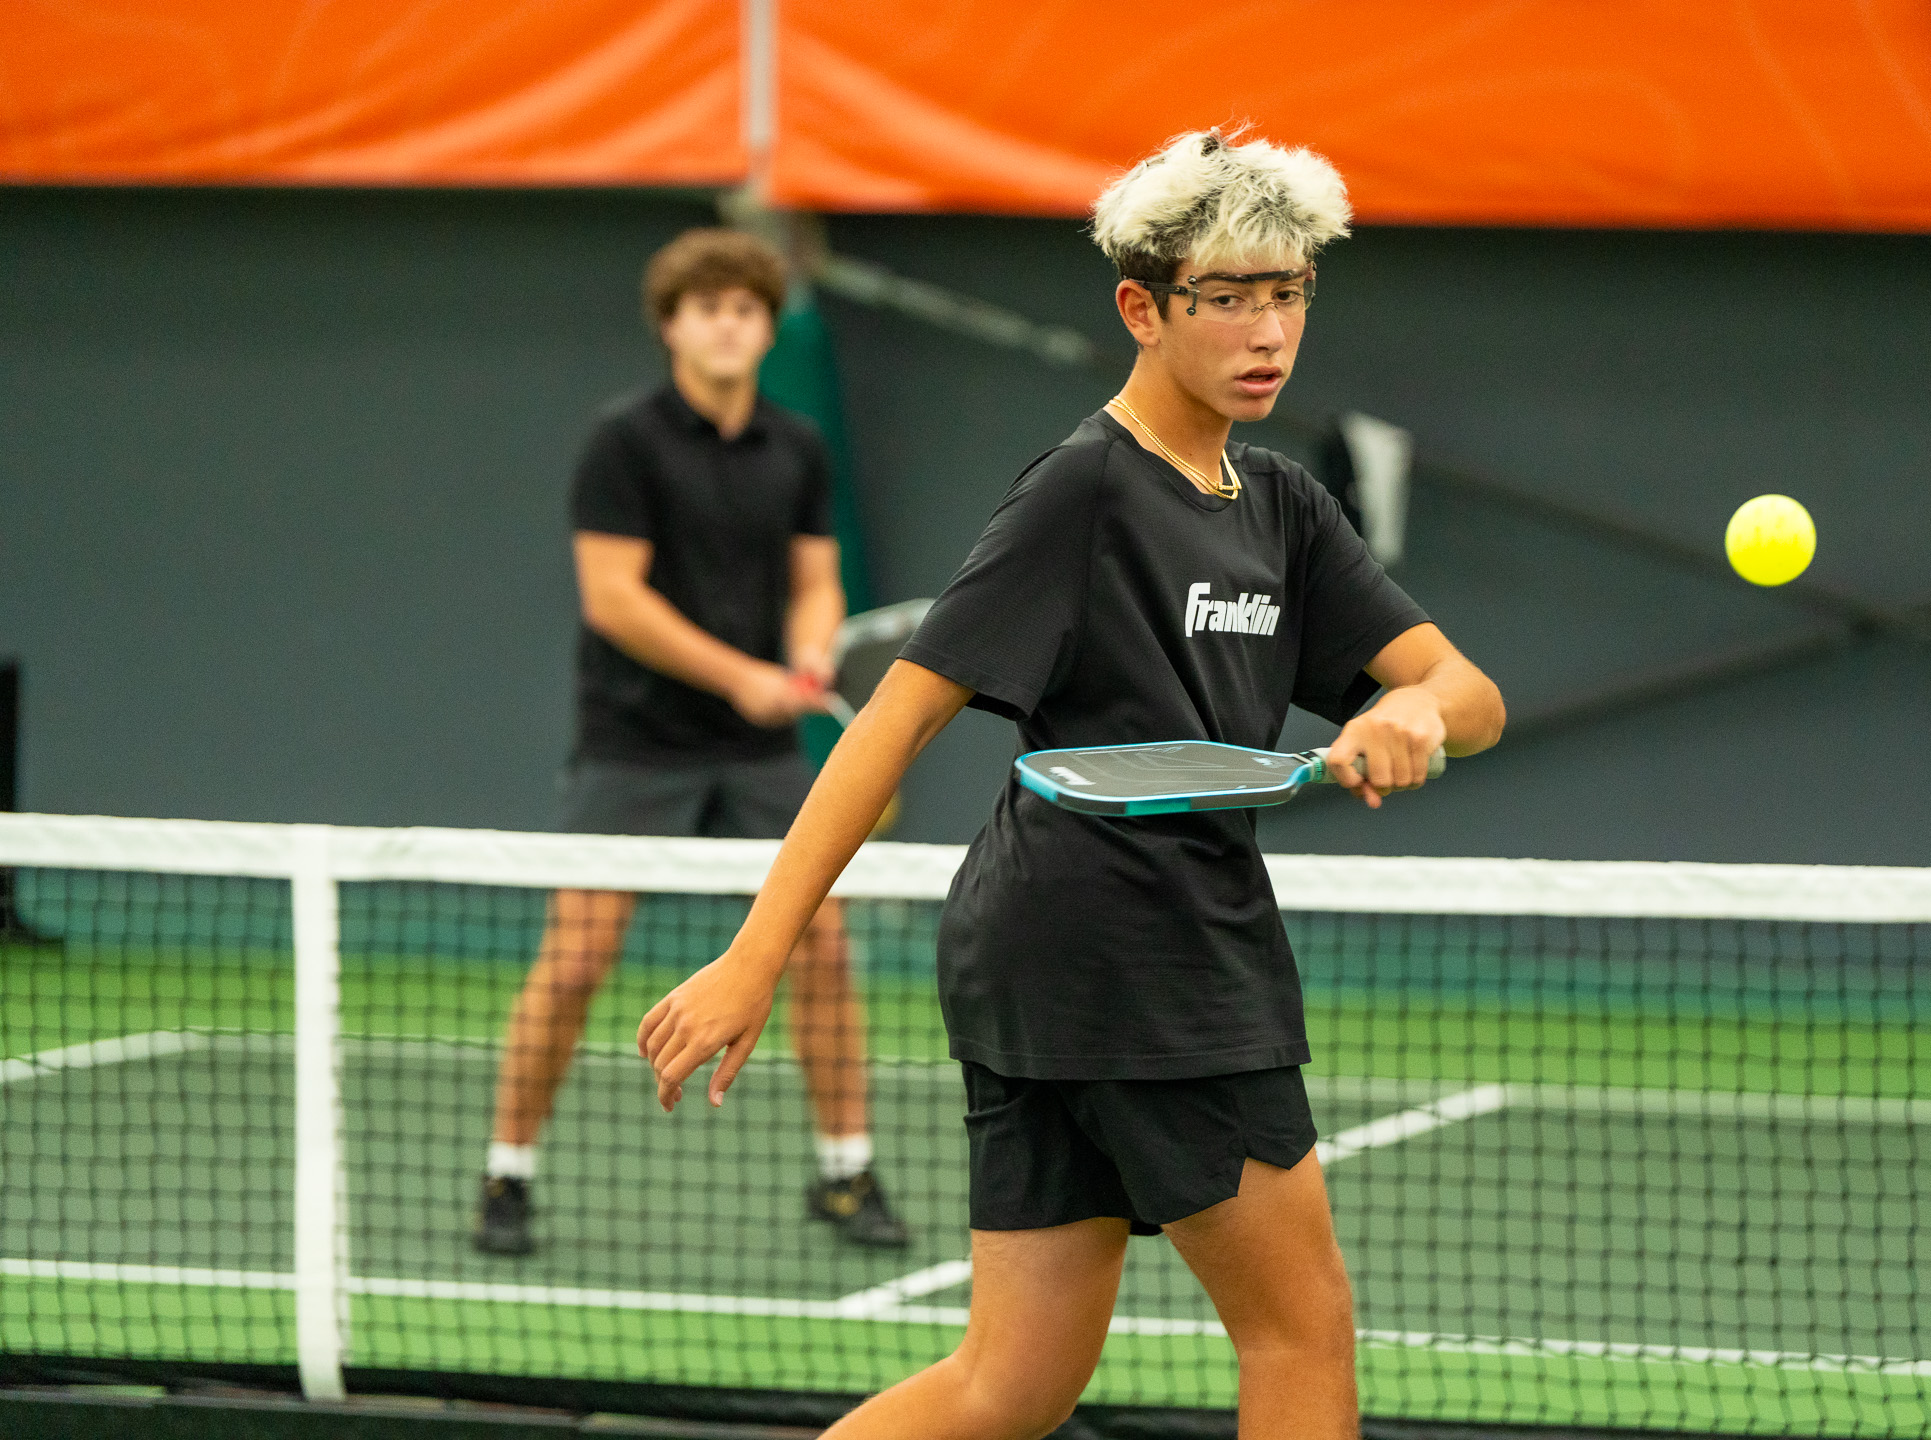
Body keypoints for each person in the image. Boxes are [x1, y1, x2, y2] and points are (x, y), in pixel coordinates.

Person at [636, 132, 1505, 1438]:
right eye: (1229, 297)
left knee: (1016, 1382)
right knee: (1300, 1329)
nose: (1269, 329)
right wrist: (757, 955)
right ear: (1142, 310)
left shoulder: (1281, 506)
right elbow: (894, 721)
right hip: (1137, 950)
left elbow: (1470, 692)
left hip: (1056, 947)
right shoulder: (1086, 490)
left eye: (1290, 293)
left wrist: (1411, 708)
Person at [474, 228, 909, 1256]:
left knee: (823, 948)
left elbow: (816, 582)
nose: (728, 325)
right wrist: (742, 677)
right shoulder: (622, 443)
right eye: (707, 308)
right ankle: (507, 1175)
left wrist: (809, 647)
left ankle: (846, 1173)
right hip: (634, 742)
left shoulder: (797, 447)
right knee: (576, 959)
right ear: (671, 326)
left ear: (765, 327)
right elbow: (614, 600)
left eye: (746, 309)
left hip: (758, 755)